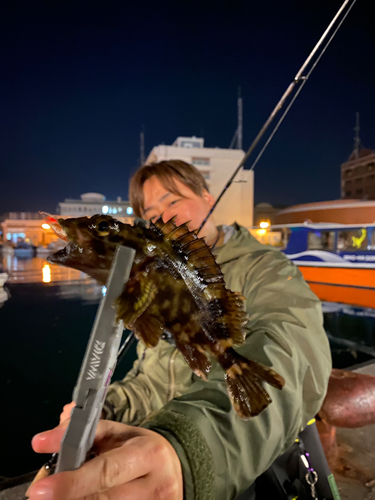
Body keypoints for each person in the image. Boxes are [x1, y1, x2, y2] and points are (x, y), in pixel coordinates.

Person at [28, 160, 332, 500]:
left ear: (207, 196)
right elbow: (152, 378)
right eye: (150, 211)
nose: (161, 215)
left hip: (236, 470)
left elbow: (292, 347)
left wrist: (187, 451)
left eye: (172, 201)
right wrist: (106, 408)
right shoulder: (155, 276)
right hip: (154, 437)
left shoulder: (266, 268)